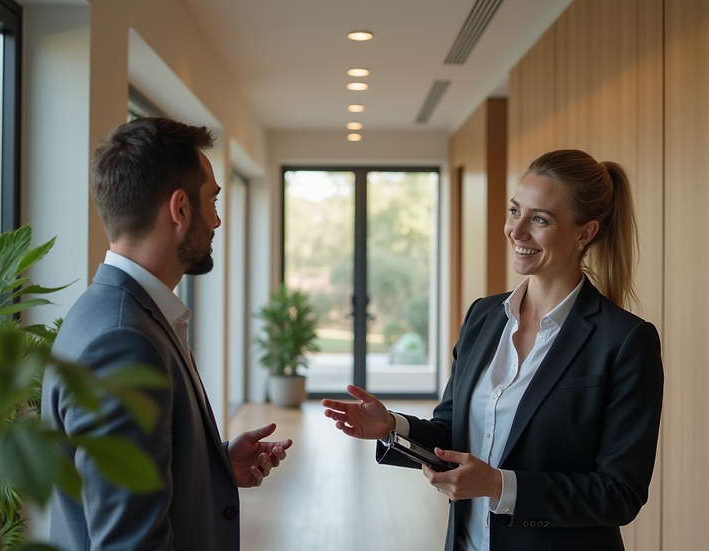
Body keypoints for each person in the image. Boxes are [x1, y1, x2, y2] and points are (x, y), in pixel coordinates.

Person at [322, 149, 663, 551]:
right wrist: (393, 428)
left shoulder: (625, 341)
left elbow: (618, 494)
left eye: (540, 219)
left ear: (584, 233)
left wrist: (501, 485)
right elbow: (455, 432)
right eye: (515, 211)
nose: (515, 231)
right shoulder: (483, 317)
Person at [42, 117, 293, 551]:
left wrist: (211, 465)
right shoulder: (123, 342)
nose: (216, 220)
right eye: (212, 200)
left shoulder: (110, 311)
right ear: (180, 209)